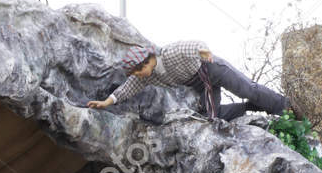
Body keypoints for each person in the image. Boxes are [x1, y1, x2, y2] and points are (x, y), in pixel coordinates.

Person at [87, 41, 289, 122]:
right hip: (202, 85)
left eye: (138, 71)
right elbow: (126, 89)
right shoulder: (148, 77)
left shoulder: (169, 53)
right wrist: (106, 102)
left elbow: (191, 45)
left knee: (246, 88)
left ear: (146, 61)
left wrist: (204, 51)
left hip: (212, 69)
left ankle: (283, 107)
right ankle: (250, 108)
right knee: (212, 116)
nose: (138, 75)